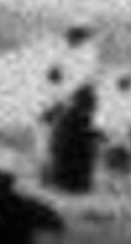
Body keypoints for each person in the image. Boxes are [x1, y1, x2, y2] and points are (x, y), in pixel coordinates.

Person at [37, 24, 104, 195]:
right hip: (76, 105)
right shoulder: (73, 54)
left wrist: (61, 102)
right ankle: (67, 181)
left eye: (74, 35)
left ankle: (69, 182)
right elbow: (57, 78)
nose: (70, 39)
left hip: (79, 104)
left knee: (68, 142)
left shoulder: (86, 55)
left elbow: (78, 83)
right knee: (66, 142)